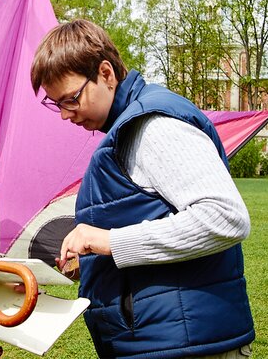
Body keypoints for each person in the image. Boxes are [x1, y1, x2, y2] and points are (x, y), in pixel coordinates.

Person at [30, 19, 254, 359]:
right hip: (167, 341)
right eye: (56, 103)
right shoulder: (129, 128)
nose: (64, 115)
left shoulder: (155, 126)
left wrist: (106, 241)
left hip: (188, 347)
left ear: (106, 73)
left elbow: (225, 218)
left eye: (71, 99)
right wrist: (93, 260)